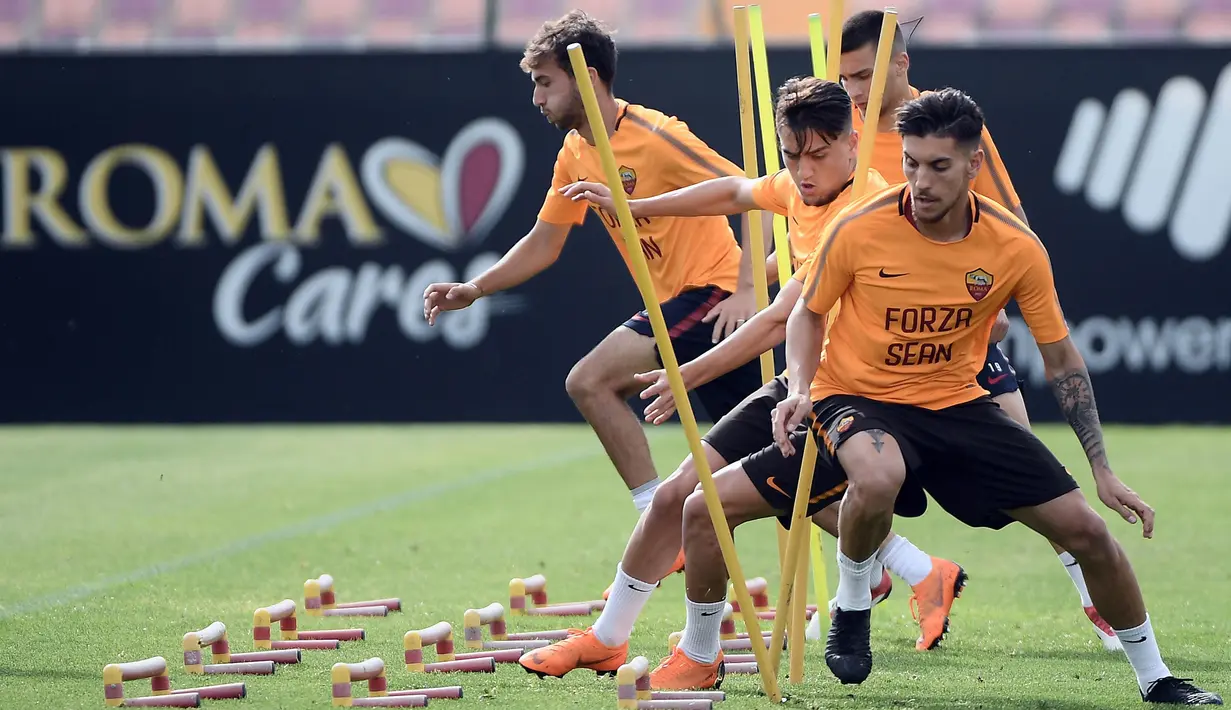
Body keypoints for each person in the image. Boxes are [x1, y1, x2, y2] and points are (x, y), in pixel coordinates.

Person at [767, 88, 1220, 705]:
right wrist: (798, 385)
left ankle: (1156, 676)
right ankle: (852, 604)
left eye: (939, 166)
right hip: (856, 396)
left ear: (973, 165)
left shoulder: (1014, 247)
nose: (920, 182)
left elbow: (1062, 358)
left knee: (1086, 531)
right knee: (874, 476)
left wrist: (1103, 470)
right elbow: (806, 315)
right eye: (911, 162)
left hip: (957, 404)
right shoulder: (858, 228)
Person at [518, 77, 966, 690]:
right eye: (791, 155)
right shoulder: (798, 188)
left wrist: (691, 372)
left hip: (857, 401)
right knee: (678, 494)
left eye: (817, 154)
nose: (802, 172)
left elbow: (782, 316)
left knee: (707, 504)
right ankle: (607, 639)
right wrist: (634, 209)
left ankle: (708, 653)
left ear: (852, 143)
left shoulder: (868, 210)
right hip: (801, 382)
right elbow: (733, 190)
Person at [422, 10, 764, 580]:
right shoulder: (576, 152)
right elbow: (544, 242)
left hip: (713, 295)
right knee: (777, 456)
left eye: (544, 82)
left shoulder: (657, 136)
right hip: (683, 308)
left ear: (588, 78)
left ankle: (658, 527)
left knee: (589, 380)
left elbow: (752, 194)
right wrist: (474, 289)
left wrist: (748, 290)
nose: (536, 98)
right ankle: (903, 565)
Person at [839, 9, 1120, 651]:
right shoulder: (843, 133)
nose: (855, 90)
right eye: (847, 77)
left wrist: (983, 313)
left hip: (958, 343)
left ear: (900, 64)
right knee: (834, 469)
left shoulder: (948, 130)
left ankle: (1094, 601)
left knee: (1028, 473)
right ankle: (869, 587)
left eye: (865, 74)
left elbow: (1010, 223)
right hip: (868, 351)